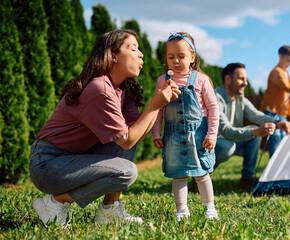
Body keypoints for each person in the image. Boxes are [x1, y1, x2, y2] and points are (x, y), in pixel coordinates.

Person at [29, 29, 181, 227]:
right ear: (113, 55)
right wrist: (155, 105)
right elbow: (127, 141)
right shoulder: (99, 89)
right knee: (127, 171)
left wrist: (158, 103)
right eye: (133, 48)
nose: (141, 54)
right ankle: (56, 202)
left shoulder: (122, 89)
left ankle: (109, 210)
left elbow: (136, 135)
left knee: (128, 136)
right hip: (48, 164)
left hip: (71, 159)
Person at [152, 32, 219, 221]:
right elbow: (158, 110)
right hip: (173, 137)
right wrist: (156, 132)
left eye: (181, 57)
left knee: (202, 174)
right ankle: (182, 209)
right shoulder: (162, 80)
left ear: (192, 57)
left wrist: (212, 135)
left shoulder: (201, 79)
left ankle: (210, 208)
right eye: (170, 57)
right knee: (179, 175)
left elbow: (213, 109)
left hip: (197, 136)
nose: (175, 61)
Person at [214, 63, 290, 188]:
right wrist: (255, 132)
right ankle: (202, 175)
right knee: (231, 145)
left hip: (231, 140)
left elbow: (257, 116)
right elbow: (225, 130)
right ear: (228, 79)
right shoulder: (215, 98)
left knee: (254, 132)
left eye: (246, 79)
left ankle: (247, 178)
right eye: (241, 79)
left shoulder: (240, 98)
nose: (245, 83)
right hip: (213, 143)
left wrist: (278, 123)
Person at [260, 45, 290, 157]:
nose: (289, 64)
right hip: (273, 111)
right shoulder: (277, 71)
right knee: (275, 139)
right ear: (280, 56)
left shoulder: (286, 72)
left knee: (281, 140)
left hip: (282, 113)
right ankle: (273, 169)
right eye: (288, 60)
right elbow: (288, 87)